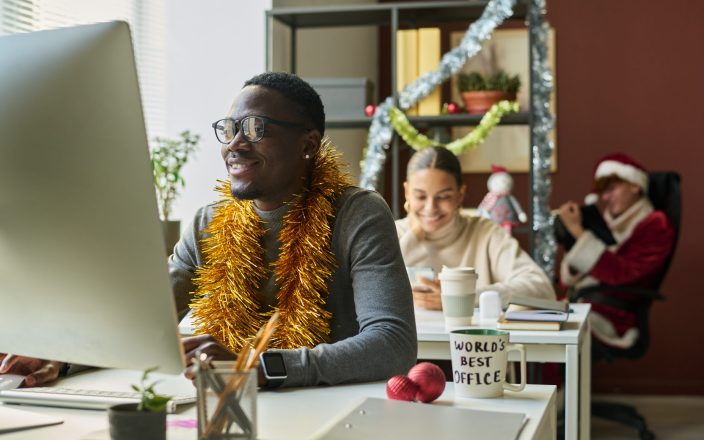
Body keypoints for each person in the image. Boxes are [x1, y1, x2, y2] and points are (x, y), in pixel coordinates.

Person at [1, 72, 417, 388]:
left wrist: (252, 366)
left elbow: (392, 345)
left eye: (256, 127)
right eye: (229, 129)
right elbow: (143, 322)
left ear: (308, 144)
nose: (235, 142)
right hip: (227, 413)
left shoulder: (357, 214)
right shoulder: (208, 223)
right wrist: (60, 357)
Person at [396, 146, 555, 310]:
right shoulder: (390, 233)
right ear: (407, 192)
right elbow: (368, 291)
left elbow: (542, 289)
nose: (430, 208)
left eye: (444, 197)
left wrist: (462, 297)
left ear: (460, 194)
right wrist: (412, 236)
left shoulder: (485, 233)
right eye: (420, 196)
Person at [557, 152, 675, 349]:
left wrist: (578, 232)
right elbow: (566, 281)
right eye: (603, 192)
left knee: (546, 334)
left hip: (613, 317)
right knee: (529, 322)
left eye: (611, 189)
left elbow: (622, 274)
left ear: (635, 186)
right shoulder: (609, 224)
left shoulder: (656, 225)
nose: (605, 197)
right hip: (586, 305)